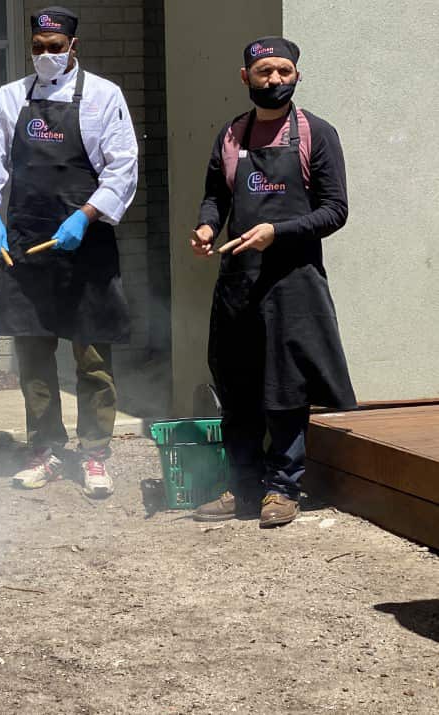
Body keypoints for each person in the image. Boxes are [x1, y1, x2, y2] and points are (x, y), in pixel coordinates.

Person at [0, 6, 139, 498]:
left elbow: (123, 168)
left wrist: (85, 216)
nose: (46, 54)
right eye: (38, 47)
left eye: (55, 46)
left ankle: (94, 453)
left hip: (86, 244)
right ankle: (43, 450)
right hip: (27, 244)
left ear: (73, 46)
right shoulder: (10, 98)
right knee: (34, 355)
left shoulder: (104, 96)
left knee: (92, 358)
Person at [190, 37, 356, 527]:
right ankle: (242, 487)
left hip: (293, 284)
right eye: (264, 71)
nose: (275, 80)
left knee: (287, 388)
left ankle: (283, 488)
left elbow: (335, 210)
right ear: (246, 77)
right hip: (238, 284)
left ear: (297, 76)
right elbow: (215, 197)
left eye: (284, 71)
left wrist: (277, 232)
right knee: (237, 388)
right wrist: (206, 227)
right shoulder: (231, 134)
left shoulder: (316, 134)